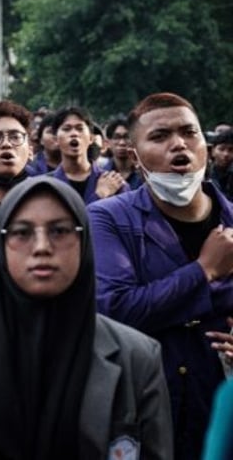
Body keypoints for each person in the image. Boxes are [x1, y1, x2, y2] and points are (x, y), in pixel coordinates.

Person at [0, 177, 173, 459]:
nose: (42, 247)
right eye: (22, 232)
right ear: (0, 245)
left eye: (60, 231)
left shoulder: (137, 355)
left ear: (84, 242)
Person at [90, 92, 233, 459]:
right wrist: (204, 272)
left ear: (205, 145)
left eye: (190, 133)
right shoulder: (108, 218)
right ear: (136, 158)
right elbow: (115, 311)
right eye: (160, 136)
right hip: (143, 403)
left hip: (220, 403)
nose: (179, 145)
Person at [50, 107, 128, 204]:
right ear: (55, 139)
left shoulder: (114, 183)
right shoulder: (46, 186)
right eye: (66, 129)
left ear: (91, 138)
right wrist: (99, 195)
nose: (74, 133)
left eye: (80, 129)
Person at [100, 118, 143, 190]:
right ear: (107, 143)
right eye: (116, 137)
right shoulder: (101, 174)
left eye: (127, 137)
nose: (122, 143)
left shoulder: (145, 174)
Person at [210, 129, 233, 201]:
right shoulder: (203, 173)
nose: (226, 154)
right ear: (213, 151)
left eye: (231, 150)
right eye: (221, 149)